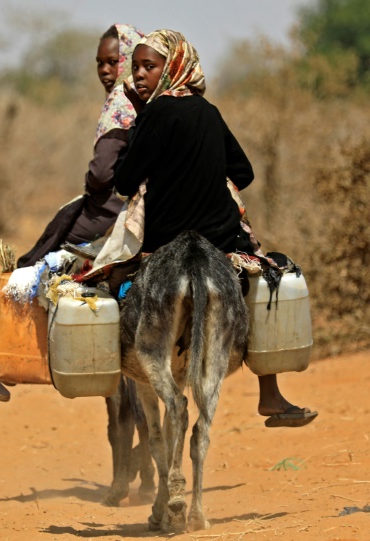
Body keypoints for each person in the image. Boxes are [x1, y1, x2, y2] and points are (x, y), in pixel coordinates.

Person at [114, 29, 317, 428]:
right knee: (265, 281)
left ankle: (112, 378)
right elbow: (243, 171)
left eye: (149, 67)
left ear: (172, 67)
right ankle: (270, 394)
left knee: (108, 284)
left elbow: (123, 182)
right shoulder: (208, 112)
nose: (139, 74)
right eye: (136, 67)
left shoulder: (155, 114)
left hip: (163, 242)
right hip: (222, 240)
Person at [0, 24, 145, 401]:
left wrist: (94, 187)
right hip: (156, 211)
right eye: (100, 63)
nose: (105, 70)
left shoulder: (120, 102)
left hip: (112, 212)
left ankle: (6, 363)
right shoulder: (155, 100)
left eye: (113, 61)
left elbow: (101, 173)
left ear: (129, 60)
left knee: (36, 267)